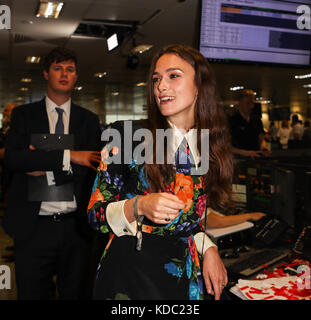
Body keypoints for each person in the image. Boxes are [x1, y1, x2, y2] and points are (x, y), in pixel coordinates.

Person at [88, 44, 233, 300]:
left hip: (184, 280)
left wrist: (208, 248)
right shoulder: (126, 136)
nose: (160, 86)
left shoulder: (205, 146)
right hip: (132, 277)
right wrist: (139, 206)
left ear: (199, 85)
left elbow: (188, 225)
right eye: (156, 79)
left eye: (173, 76)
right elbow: (94, 216)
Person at [3, 47, 101, 299]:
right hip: (34, 227)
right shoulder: (24, 116)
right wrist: (71, 156)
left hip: (76, 228)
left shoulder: (88, 120)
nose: (64, 74)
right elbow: (14, 158)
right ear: (46, 73)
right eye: (58, 68)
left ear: (76, 76)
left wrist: (40, 158)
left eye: (70, 69)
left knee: (77, 294)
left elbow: (93, 169)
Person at [229, 89, 270, 158]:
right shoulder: (231, 121)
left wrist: (263, 147)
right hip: (239, 161)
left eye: (252, 103)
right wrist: (247, 153)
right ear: (240, 103)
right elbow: (228, 147)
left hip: (255, 159)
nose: (251, 106)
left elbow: (261, 139)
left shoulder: (257, 120)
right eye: (247, 103)